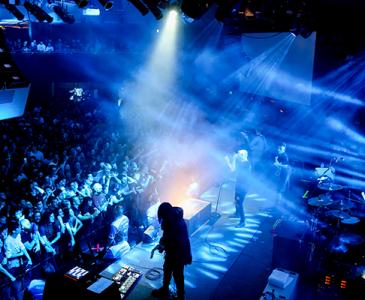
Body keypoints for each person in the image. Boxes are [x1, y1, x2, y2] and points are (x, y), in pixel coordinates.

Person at [150, 202, 192, 300]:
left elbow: (169, 239)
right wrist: (162, 245)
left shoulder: (169, 222)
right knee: (172, 271)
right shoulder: (177, 218)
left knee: (176, 273)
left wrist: (161, 246)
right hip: (181, 250)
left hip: (176, 252)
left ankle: (179, 296)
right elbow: (168, 238)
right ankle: (171, 292)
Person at [225, 149, 251, 227]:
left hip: (242, 188)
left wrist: (230, 160)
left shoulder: (245, 164)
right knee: (236, 200)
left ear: (243, 155)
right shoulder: (244, 163)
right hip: (239, 185)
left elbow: (232, 170)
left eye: (239, 154)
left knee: (239, 203)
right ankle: (237, 214)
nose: (237, 155)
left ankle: (243, 221)